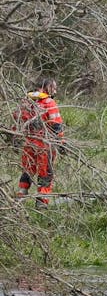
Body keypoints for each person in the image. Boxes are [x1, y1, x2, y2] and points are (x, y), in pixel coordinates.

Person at [11, 78, 65, 208]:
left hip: (28, 144)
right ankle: (42, 202)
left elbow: (16, 120)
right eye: (53, 88)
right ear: (46, 87)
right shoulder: (49, 102)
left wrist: (15, 140)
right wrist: (62, 143)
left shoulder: (25, 102)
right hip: (45, 145)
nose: (55, 91)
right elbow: (56, 125)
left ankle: (20, 197)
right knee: (46, 174)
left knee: (27, 171)